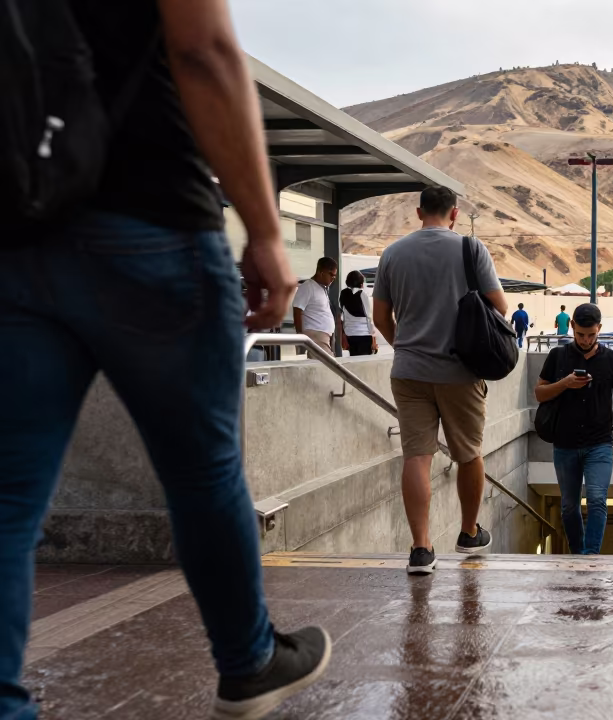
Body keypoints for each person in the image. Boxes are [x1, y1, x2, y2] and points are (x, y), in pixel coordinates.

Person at [1, 1, 331, 717]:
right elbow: (203, 50)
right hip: (150, 221)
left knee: (6, 500)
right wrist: (267, 233)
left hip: (17, 228)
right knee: (202, 469)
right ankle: (248, 662)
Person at [372, 184, 506, 574]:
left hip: (409, 372)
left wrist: (406, 346)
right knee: (468, 453)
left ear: (418, 213)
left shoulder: (393, 253)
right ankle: (468, 533)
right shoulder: (470, 249)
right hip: (459, 371)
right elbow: (499, 306)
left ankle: (421, 549)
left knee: (416, 455)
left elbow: (381, 317)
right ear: (454, 213)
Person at [534, 304, 613, 555]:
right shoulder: (558, 356)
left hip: (599, 443)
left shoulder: (612, 360)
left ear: (599, 329)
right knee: (568, 505)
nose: (586, 340)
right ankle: (577, 554)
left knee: (598, 499)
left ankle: (590, 556)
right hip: (565, 443)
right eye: (580, 335)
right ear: (573, 328)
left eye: (591, 334)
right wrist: (565, 383)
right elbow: (540, 393)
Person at [292, 257, 340, 358]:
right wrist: (300, 335)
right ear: (321, 272)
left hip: (324, 335)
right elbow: (297, 310)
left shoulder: (322, 288)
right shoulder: (308, 286)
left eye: (335, 276)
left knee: (324, 367)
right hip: (316, 334)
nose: (333, 278)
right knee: (328, 366)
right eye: (331, 274)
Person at [339, 270, 377, 357]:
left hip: (350, 335)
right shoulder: (363, 294)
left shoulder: (343, 294)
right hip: (364, 335)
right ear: (361, 284)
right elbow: (369, 317)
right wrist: (373, 339)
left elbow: (342, 316)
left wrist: (343, 335)